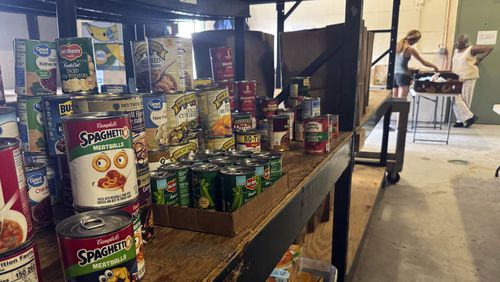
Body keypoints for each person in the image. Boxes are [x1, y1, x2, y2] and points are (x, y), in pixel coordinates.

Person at [451, 33, 493, 128]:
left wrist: (480, 59)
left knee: (465, 99)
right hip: (457, 77)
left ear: (465, 42)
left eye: (460, 41)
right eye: (458, 41)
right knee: (455, 98)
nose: (458, 43)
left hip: (469, 77)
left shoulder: (471, 49)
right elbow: (453, 63)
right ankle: (470, 117)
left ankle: (461, 121)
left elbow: (489, 48)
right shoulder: (456, 51)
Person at [393, 30, 439, 98]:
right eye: (417, 40)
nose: (417, 42)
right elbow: (423, 62)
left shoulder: (397, 45)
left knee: (394, 102)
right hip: (403, 76)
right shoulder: (410, 49)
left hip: (394, 76)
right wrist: (435, 67)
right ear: (414, 40)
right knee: (401, 103)